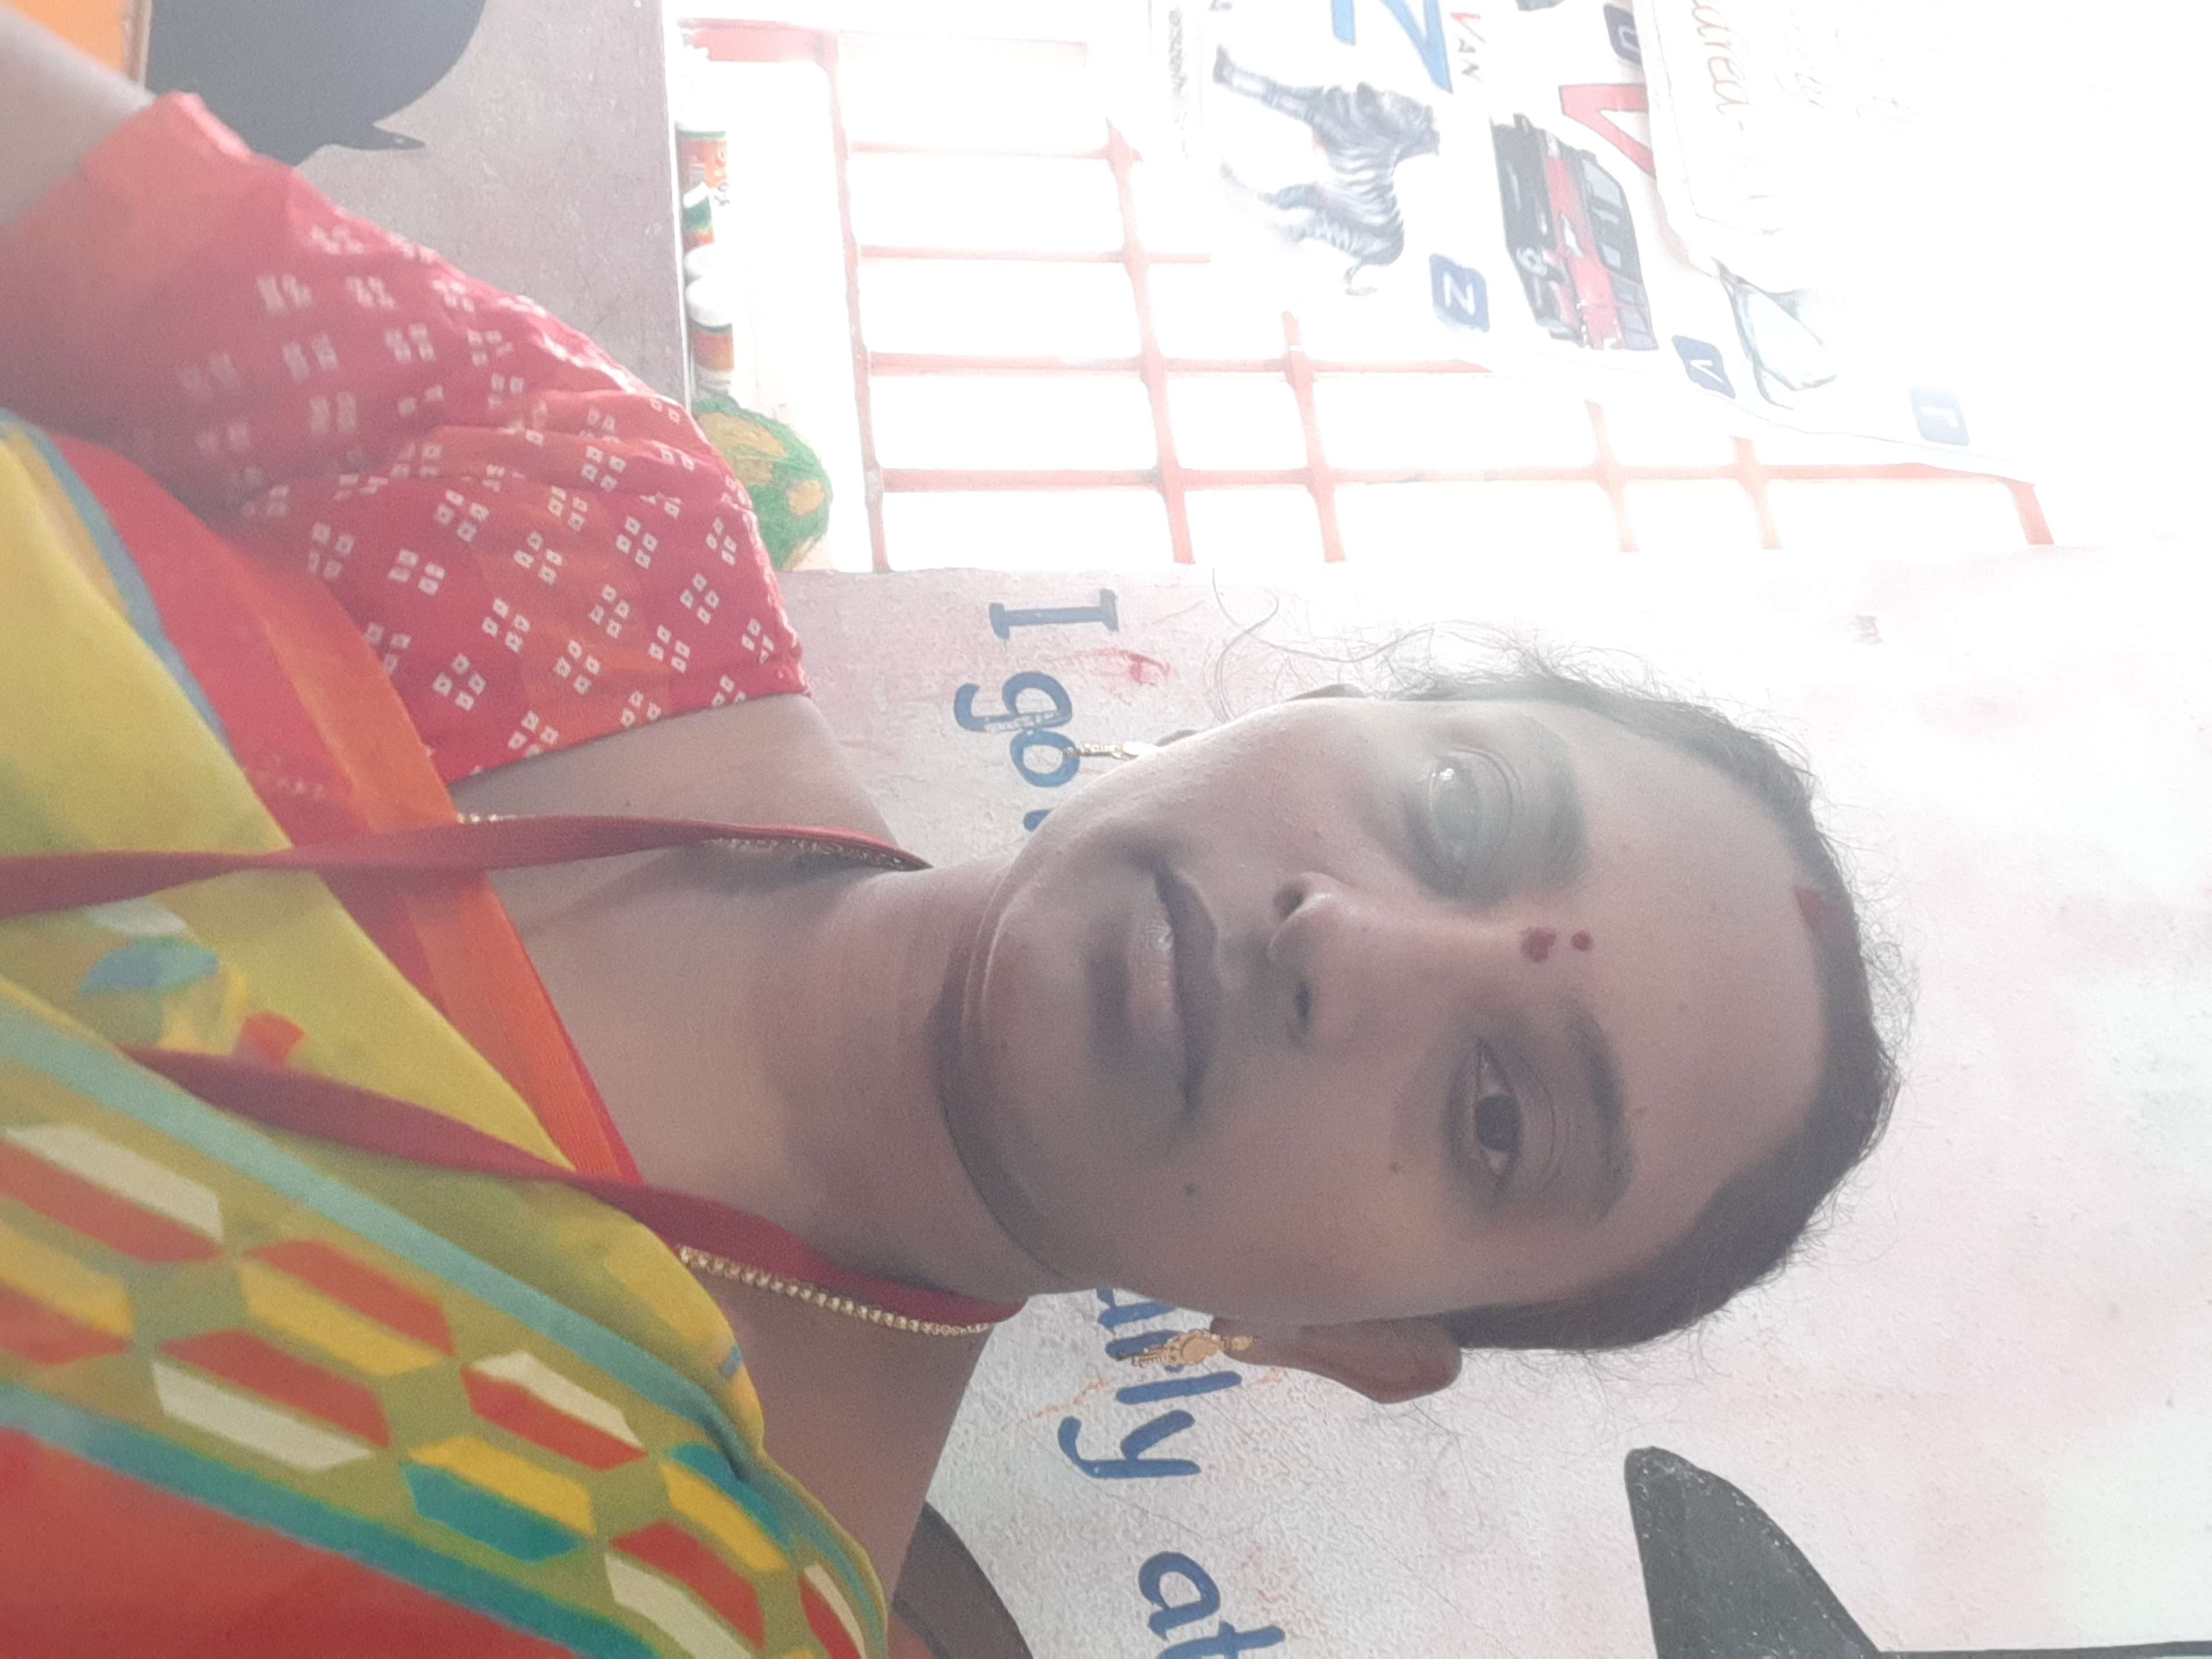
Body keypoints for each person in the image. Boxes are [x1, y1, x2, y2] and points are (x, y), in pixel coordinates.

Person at [0, 16, 1894, 1656]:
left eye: (1497, 1112)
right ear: (1292, 708)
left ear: (1350, 1339)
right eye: (1460, 810)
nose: (1350, 941)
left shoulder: (685, 1597)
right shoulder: (592, 522)